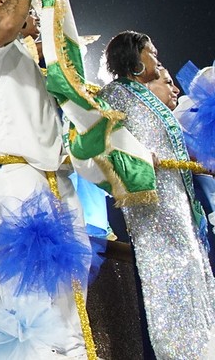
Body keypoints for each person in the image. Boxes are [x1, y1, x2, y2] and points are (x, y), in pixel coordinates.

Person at [0, 0, 86, 357]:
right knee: (31, 289)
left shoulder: (25, 56)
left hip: (54, 175)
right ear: (1, 2)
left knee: (71, 288)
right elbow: (6, 27)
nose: (27, 7)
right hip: (15, 172)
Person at [97, 32, 215, 360]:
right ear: (133, 59)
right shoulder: (115, 93)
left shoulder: (147, 99)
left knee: (195, 273)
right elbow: (97, 141)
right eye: (151, 53)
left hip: (181, 210)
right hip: (152, 214)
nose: (158, 59)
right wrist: (134, 154)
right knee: (169, 285)